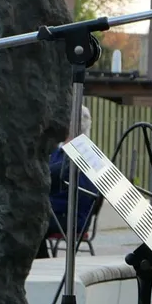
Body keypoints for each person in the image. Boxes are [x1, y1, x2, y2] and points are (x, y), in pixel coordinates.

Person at [37, 105, 99, 259]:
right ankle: (41, 263)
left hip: (70, 218)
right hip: (61, 213)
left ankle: (41, 265)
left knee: (28, 219)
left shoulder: (80, 155)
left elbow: (82, 196)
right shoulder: (65, 152)